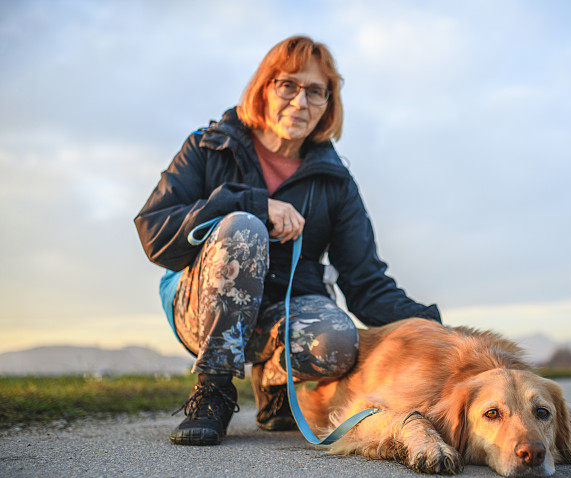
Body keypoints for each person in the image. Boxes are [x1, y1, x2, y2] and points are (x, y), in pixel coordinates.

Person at [134, 35, 441, 446]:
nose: (300, 103)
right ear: (264, 87)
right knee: (244, 225)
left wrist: (434, 328)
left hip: (282, 312)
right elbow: (154, 232)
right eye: (288, 85)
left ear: (328, 103)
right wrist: (252, 204)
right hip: (200, 309)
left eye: (316, 91)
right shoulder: (207, 147)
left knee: (339, 341)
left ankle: (276, 383)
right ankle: (214, 388)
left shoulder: (335, 181)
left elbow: (365, 282)